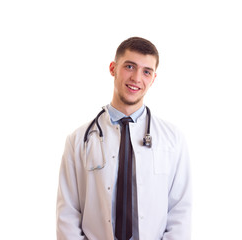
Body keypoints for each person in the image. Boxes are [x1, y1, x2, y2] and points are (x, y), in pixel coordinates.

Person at [56, 37, 192, 240]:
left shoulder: (173, 140)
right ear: (113, 68)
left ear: (153, 78)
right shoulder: (78, 141)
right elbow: (67, 214)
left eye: (146, 71)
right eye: (130, 66)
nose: (137, 78)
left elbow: (180, 212)